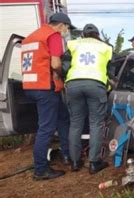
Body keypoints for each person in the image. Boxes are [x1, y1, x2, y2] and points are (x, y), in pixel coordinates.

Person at [21, 12, 73, 180]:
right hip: (45, 87)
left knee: (63, 118)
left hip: (31, 87)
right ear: (61, 25)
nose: (66, 31)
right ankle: (41, 169)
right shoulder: (53, 35)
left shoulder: (31, 37)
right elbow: (56, 63)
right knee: (46, 129)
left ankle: (66, 154)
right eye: (67, 27)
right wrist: (62, 73)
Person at [63, 24, 113, 174]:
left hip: (73, 85)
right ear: (97, 34)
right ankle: (94, 162)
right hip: (95, 84)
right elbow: (111, 70)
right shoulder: (106, 47)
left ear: (83, 35)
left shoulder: (73, 44)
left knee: (75, 123)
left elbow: (64, 66)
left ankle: (75, 162)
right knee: (96, 124)